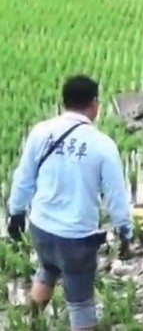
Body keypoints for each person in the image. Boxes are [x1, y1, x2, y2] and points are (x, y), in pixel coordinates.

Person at [6, 75, 133, 331]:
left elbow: (24, 176)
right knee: (81, 304)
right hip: (76, 238)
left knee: (47, 269)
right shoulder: (102, 145)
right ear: (95, 104)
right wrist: (125, 230)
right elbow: (116, 196)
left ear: (64, 101)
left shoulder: (41, 131)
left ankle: (31, 323)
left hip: (40, 227)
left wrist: (16, 212)